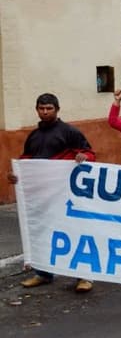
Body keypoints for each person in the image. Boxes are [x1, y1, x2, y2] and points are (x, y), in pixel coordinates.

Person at [9, 93, 96, 293]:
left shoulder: (69, 132)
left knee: (73, 232)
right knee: (42, 232)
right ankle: (43, 273)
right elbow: (26, 162)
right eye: (41, 108)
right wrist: (15, 175)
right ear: (37, 110)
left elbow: (89, 153)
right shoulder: (33, 136)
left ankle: (84, 276)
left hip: (66, 195)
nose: (45, 112)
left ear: (57, 109)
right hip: (42, 196)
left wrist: (83, 157)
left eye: (49, 108)